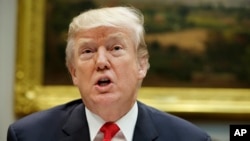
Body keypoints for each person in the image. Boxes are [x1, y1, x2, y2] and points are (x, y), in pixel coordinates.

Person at [7, 6, 211, 141]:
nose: (101, 62)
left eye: (115, 48)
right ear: (74, 72)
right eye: (88, 51)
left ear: (142, 64)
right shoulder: (28, 136)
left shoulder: (189, 138)